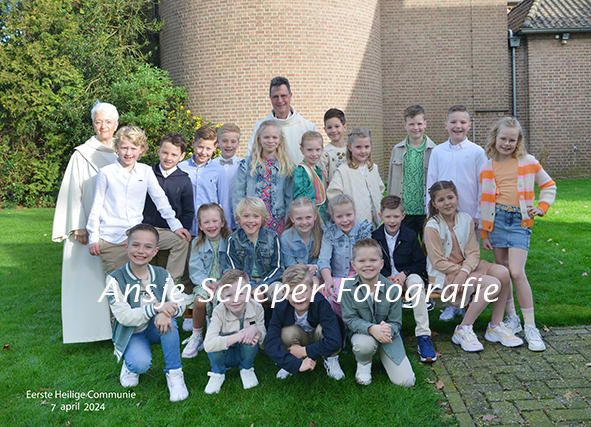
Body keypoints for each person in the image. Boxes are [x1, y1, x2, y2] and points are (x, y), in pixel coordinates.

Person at [479, 117, 556, 351]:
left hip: (519, 222)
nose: (507, 143)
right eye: (503, 138)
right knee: (503, 271)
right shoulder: (487, 166)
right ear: (495, 138)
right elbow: (483, 201)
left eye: (512, 140)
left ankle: (531, 326)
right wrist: (484, 233)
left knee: (516, 271)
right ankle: (512, 318)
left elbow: (549, 185)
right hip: (496, 221)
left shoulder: (528, 162)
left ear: (518, 140)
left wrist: (541, 207)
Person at [423, 181, 523, 353]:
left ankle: (496, 326)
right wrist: (461, 273)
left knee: (503, 272)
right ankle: (464, 328)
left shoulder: (465, 219)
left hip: (467, 269)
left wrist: (464, 272)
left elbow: (473, 253)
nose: (447, 203)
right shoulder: (432, 226)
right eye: (441, 200)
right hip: (445, 274)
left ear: (457, 198)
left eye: (450, 197)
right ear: (434, 204)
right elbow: (437, 262)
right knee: (493, 284)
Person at [52, 101, 119, 343]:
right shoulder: (82, 154)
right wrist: (78, 225)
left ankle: (119, 326)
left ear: (116, 124)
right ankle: (93, 330)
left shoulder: (123, 151)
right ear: (93, 124)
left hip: (117, 226)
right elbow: (73, 191)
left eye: (108, 122)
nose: (104, 126)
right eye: (99, 122)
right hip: (88, 229)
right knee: (90, 279)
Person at [86, 126, 191, 276]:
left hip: (139, 234)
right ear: (117, 148)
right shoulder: (106, 173)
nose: (128, 153)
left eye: (133, 148)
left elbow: (160, 200)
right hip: (112, 238)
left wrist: (176, 226)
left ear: (141, 150)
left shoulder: (145, 171)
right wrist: (93, 238)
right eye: (124, 148)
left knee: (180, 240)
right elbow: (97, 206)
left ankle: (167, 284)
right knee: (120, 284)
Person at [104, 223, 188, 402]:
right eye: (135, 245)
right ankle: (130, 364)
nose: (141, 251)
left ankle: (174, 374)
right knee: (140, 364)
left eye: (148, 247)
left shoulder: (162, 274)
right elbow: (124, 317)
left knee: (170, 321)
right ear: (126, 247)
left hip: (155, 327)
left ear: (155, 251)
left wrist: (165, 312)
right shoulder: (114, 279)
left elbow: (180, 301)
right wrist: (157, 307)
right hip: (131, 331)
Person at [426, 105, 487, 321]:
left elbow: (483, 185)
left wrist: (479, 213)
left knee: (467, 260)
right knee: (447, 259)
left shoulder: (477, 152)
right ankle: (450, 303)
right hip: (443, 217)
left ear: (469, 125)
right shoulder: (438, 152)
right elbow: (431, 182)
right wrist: (430, 213)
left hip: (468, 217)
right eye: (453, 122)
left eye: (462, 122)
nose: (457, 126)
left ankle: (466, 301)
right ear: (446, 125)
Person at [341, 238, 416, 387]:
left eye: (373, 260)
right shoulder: (348, 288)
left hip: (388, 337)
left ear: (381, 264)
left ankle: (385, 356)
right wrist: (371, 328)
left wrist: (386, 331)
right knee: (364, 345)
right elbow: (349, 319)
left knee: (406, 382)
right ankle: (364, 363)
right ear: (353, 264)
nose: (367, 265)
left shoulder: (392, 290)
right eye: (361, 261)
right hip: (363, 335)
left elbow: (396, 322)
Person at [372, 195, 437, 362]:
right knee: (383, 288)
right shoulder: (375, 237)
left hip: (407, 277)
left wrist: (405, 273)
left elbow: (420, 263)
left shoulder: (410, 235)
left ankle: (423, 336)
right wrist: (384, 276)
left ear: (403, 216)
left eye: (396, 216)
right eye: (388, 216)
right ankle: (394, 331)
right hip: (385, 278)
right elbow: (371, 263)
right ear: (380, 216)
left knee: (416, 284)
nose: (392, 221)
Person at [178, 125, 230, 329]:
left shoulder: (218, 170)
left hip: (211, 228)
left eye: (208, 148)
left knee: (212, 265)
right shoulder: (182, 168)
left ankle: (211, 310)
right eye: (200, 147)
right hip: (188, 228)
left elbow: (223, 200)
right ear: (193, 144)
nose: (203, 152)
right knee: (188, 272)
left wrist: (226, 228)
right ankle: (191, 313)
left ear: (215, 148)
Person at [265, 264, 345, 380]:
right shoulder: (280, 307)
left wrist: (305, 351)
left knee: (322, 329)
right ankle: (293, 359)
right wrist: (294, 364)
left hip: (319, 337)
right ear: (285, 294)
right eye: (292, 292)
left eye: (303, 290)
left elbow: (335, 340)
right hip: (300, 338)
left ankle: (330, 359)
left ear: (313, 289)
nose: (299, 297)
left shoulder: (320, 303)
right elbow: (270, 345)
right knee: (287, 332)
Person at [203, 269, 266, 394]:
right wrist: (238, 336)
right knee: (215, 344)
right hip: (224, 355)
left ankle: (247, 369)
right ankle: (217, 373)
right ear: (222, 297)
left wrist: (256, 332)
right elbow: (208, 344)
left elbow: (264, 343)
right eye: (229, 295)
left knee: (251, 336)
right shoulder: (219, 311)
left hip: (244, 352)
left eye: (240, 294)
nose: (235, 300)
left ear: (248, 294)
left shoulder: (257, 308)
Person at [142, 132, 194, 284]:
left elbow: (188, 211)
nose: (168, 157)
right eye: (165, 152)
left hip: (169, 233)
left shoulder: (184, 180)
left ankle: (167, 289)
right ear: (159, 151)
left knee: (162, 274)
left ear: (182, 156)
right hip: (146, 230)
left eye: (174, 154)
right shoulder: (148, 174)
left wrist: (182, 229)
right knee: (147, 274)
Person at [182, 203, 231, 358]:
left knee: (222, 298)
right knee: (200, 300)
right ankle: (197, 335)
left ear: (222, 222)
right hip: (204, 283)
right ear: (200, 226)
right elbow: (195, 269)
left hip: (225, 282)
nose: (211, 225)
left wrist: (220, 283)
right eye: (206, 222)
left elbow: (232, 266)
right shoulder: (196, 243)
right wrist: (207, 285)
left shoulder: (230, 241)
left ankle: (221, 333)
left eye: (215, 221)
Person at [234, 120, 293, 234]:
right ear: (259, 139)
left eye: (274, 137)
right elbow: (238, 196)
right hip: (252, 222)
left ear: (280, 140)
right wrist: (240, 224)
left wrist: (288, 227)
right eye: (266, 137)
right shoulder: (247, 165)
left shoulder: (286, 167)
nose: (270, 141)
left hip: (278, 223)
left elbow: (289, 199)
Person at [318, 194, 372, 318]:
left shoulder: (362, 231)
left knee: (358, 293)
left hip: (360, 276)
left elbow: (368, 258)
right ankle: (340, 322)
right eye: (339, 216)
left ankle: (357, 322)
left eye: (348, 215)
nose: (345, 220)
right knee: (328, 292)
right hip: (337, 277)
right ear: (332, 217)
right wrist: (328, 279)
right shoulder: (330, 233)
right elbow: (324, 260)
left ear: (355, 213)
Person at [386, 105, 437, 238]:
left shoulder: (435, 151)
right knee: (405, 246)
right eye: (411, 124)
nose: (415, 127)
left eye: (419, 124)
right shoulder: (397, 150)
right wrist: (390, 208)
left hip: (426, 211)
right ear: (405, 125)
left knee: (428, 246)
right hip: (404, 212)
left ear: (425, 124)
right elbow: (391, 180)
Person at [245, 76, 316, 165]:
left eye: (283, 96)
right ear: (270, 98)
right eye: (275, 97)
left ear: (290, 96)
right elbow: (249, 160)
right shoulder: (260, 127)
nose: (280, 100)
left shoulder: (308, 127)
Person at [225, 197, 283, 302]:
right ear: (238, 219)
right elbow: (234, 271)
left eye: (256, 216)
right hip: (242, 282)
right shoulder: (232, 240)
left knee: (280, 291)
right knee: (247, 295)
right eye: (246, 216)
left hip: (269, 281)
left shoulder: (273, 237)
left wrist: (261, 286)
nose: (251, 221)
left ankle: (278, 314)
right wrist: (251, 286)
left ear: (262, 218)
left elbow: (278, 268)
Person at [327, 127, 385, 229]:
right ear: (350, 147)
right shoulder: (343, 171)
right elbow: (333, 195)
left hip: (374, 222)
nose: (363, 151)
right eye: (358, 147)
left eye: (366, 147)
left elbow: (380, 189)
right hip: (354, 225)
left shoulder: (373, 168)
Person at [280, 197, 323, 279]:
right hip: (295, 277)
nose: (304, 222)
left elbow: (325, 260)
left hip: (316, 275)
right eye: (299, 218)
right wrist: (304, 271)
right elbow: (289, 266)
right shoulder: (286, 238)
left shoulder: (321, 234)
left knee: (315, 281)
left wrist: (315, 267)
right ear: (292, 218)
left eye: (308, 217)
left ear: (315, 216)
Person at [293, 130, 328, 222]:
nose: (314, 154)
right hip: (309, 216)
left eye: (317, 150)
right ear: (302, 150)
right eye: (309, 150)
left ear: (322, 149)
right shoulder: (301, 171)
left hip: (323, 214)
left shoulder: (320, 170)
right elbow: (300, 197)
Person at [212, 123, 242, 230]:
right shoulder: (211, 165)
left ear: (238, 143)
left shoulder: (243, 166)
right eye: (224, 141)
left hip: (238, 219)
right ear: (218, 142)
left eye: (233, 141)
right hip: (215, 221)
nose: (229, 145)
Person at [319, 108, 348, 184]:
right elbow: (322, 179)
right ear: (325, 130)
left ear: (344, 127)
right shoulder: (325, 153)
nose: (333, 130)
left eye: (337, 126)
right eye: (329, 127)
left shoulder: (352, 150)